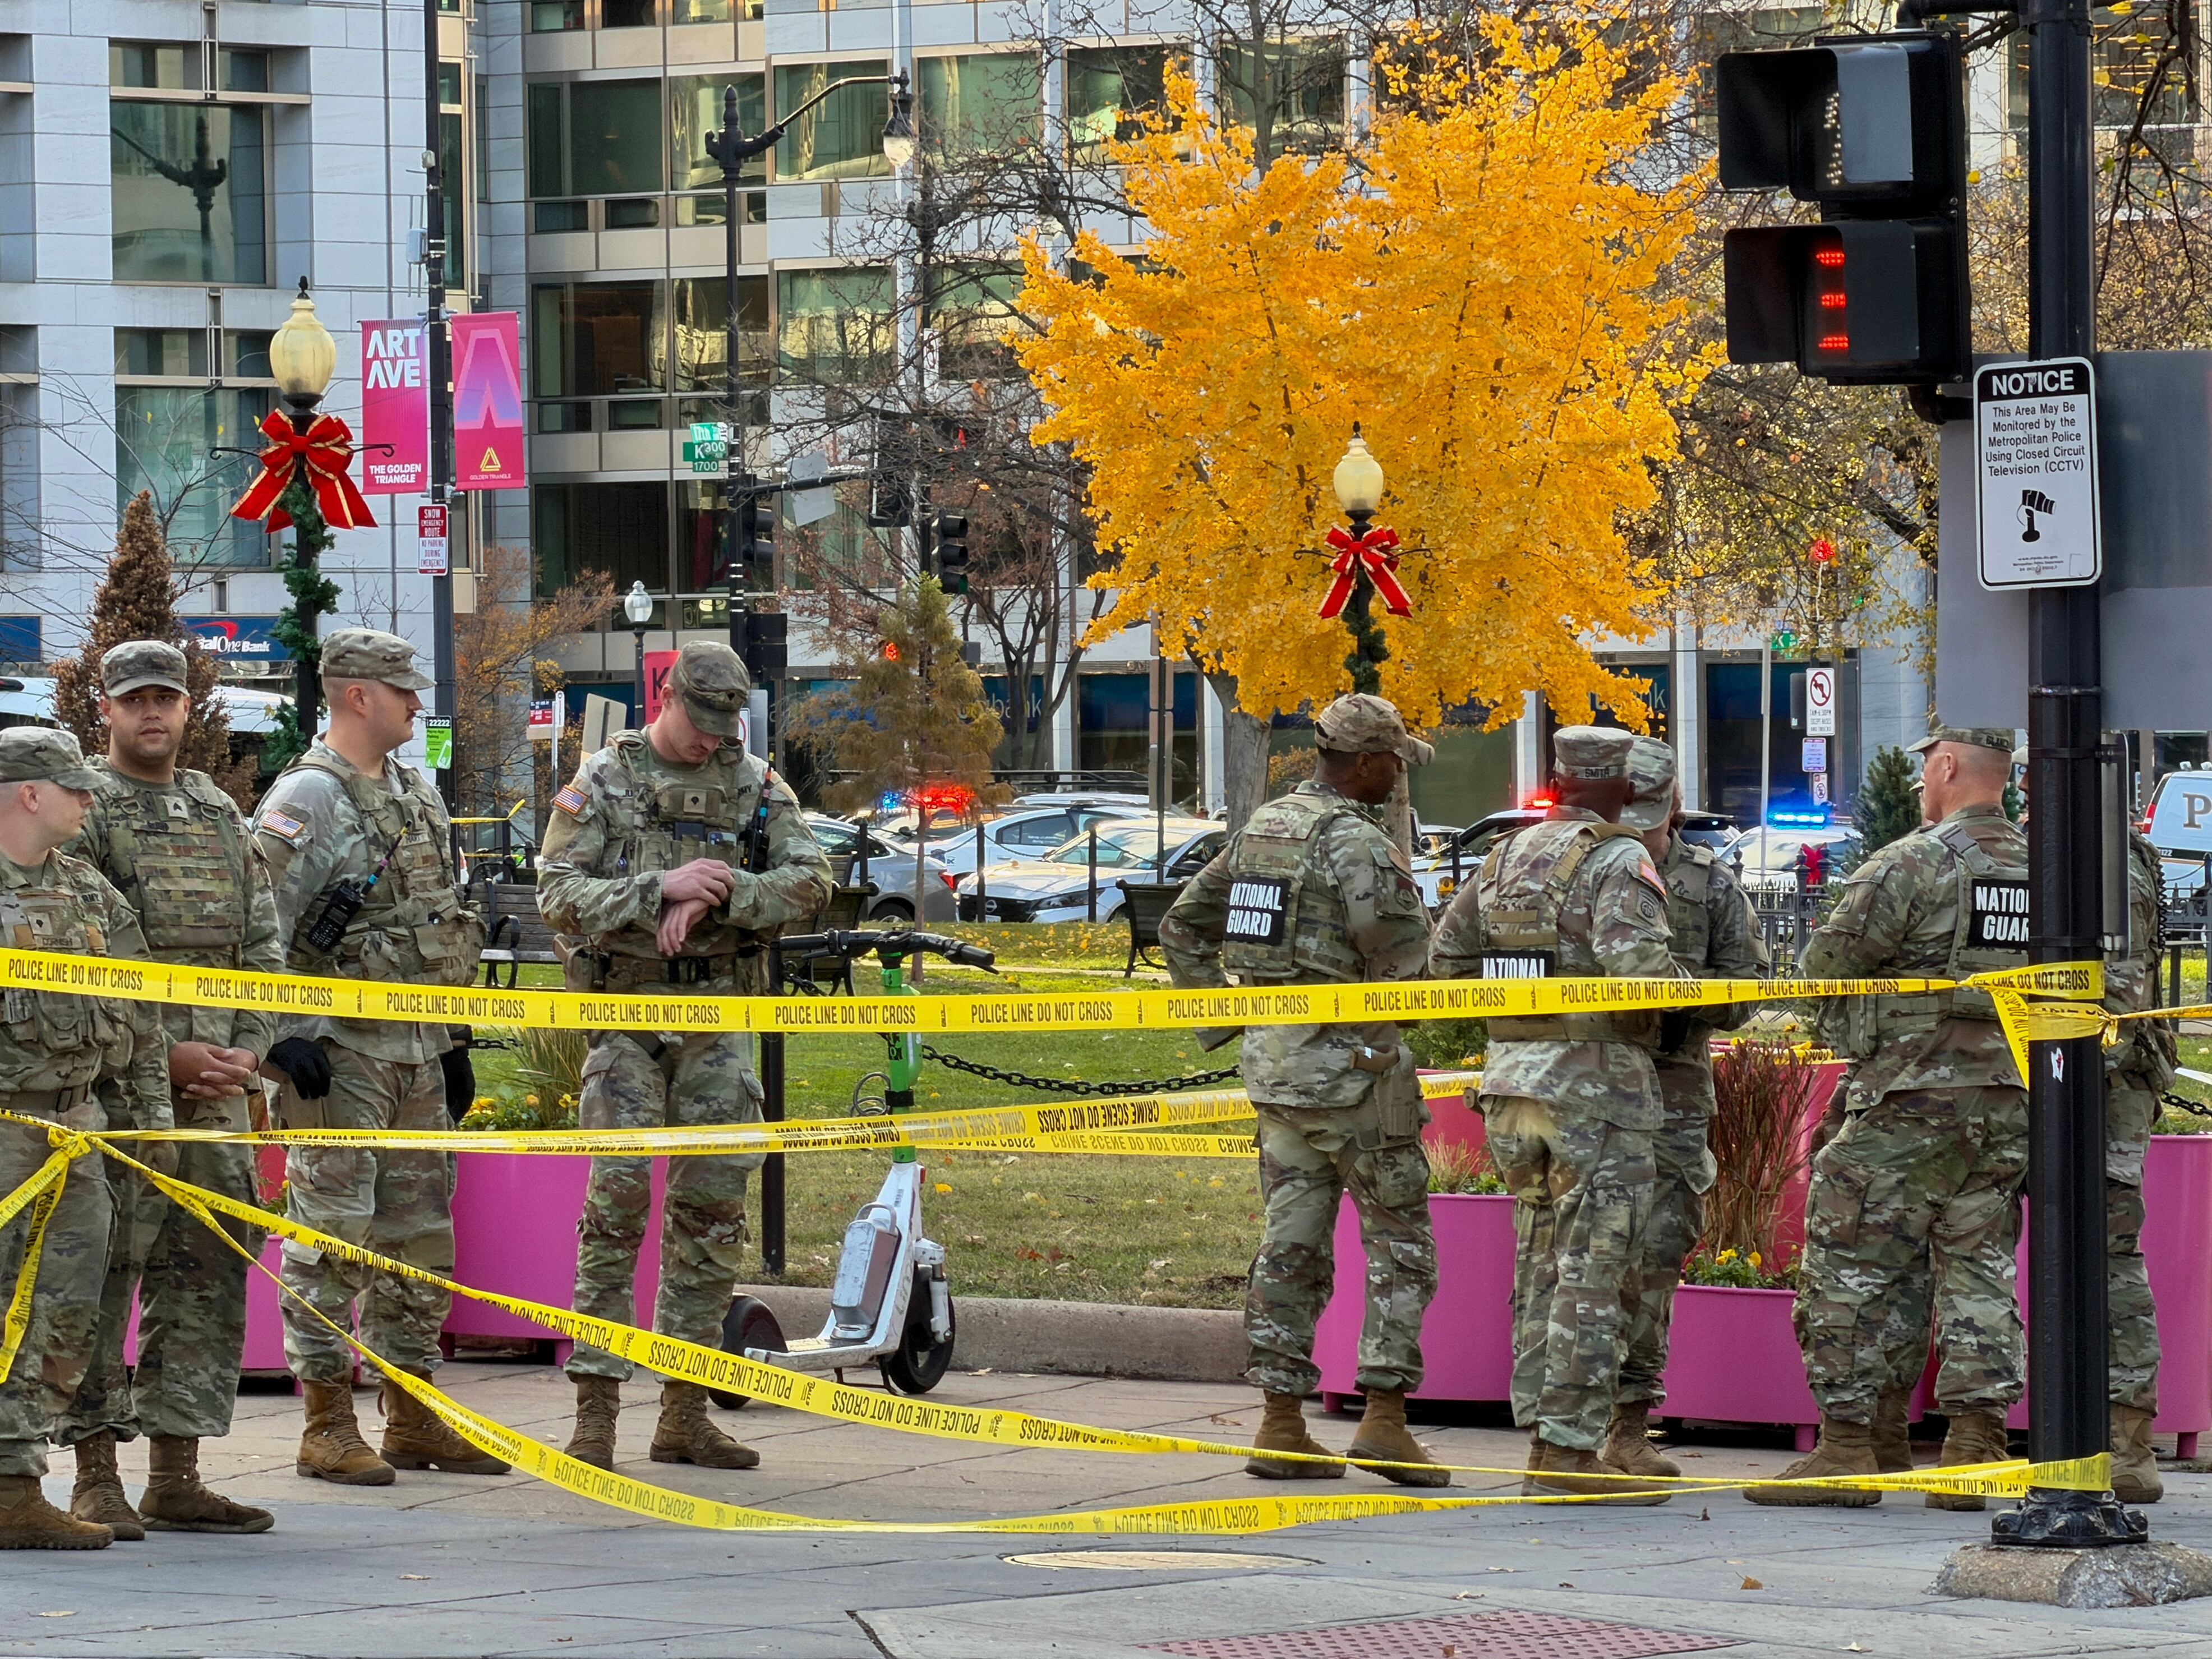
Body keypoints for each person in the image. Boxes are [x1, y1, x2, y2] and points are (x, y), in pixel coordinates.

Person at [537, 642, 832, 1472]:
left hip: (714, 1022)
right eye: (698, 724)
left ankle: (685, 1408)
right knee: (616, 1206)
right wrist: (657, 891)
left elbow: (812, 880)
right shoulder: (602, 780)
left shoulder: (754, 783)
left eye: (722, 727)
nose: (709, 742)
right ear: (663, 697)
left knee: (711, 1216)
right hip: (629, 1018)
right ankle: (595, 1410)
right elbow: (556, 892)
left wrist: (723, 893)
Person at [1160, 693, 1445, 1487]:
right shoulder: (1358, 841)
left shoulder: (1264, 828)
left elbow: (1182, 926)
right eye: (1393, 760)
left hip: (1277, 1074)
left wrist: (1225, 1019)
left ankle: (1282, 1422)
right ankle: (1384, 1420)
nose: (1399, 775)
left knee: (1289, 1247)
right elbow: (1404, 952)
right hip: (1358, 1079)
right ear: (1364, 762)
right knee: (1401, 1246)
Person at [1750, 723, 2029, 1510]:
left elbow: (1826, 966)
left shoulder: (1916, 861)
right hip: (2009, 1099)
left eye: (1925, 772)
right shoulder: (2052, 866)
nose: (1920, 788)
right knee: (1979, 1263)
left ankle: (1848, 1444)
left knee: (1851, 1255)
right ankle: (1973, 1443)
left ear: (1946, 766)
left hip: (1910, 1096)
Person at [253, 628, 497, 1486]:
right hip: (340, 1057)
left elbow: (437, 922)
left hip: (418, 1052)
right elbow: (260, 926)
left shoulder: (416, 795)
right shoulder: (306, 800)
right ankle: (326, 1421)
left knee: (419, 1236)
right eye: (404, 691)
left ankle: (414, 1412)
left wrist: (454, 1039)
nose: (417, 705)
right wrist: (279, 1036)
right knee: (331, 1236)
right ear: (359, 696)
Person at [55, 643, 280, 1539]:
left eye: (168, 698)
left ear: (190, 710)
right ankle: (93, 1471)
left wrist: (247, 1050)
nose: (153, 713)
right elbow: (83, 956)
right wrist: (168, 1053)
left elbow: (261, 944)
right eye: (135, 699)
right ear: (104, 712)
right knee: (102, 1274)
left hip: (217, 1089)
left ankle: (177, 1471)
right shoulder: (86, 810)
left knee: (210, 1268)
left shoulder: (217, 810)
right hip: (120, 1088)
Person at [1431, 725, 1679, 1502]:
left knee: (1539, 1263)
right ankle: (1569, 1451)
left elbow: (1445, 959)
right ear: (1617, 787)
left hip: (1513, 1092)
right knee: (1593, 1270)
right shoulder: (1617, 859)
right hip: (1597, 1094)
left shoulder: (1504, 856)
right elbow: (1641, 971)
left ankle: (1544, 1431)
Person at [0, 727, 169, 1549]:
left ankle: (15, 1480)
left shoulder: (90, 895)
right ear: (30, 793)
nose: (89, 799)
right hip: (4, 1127)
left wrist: (151, 1127)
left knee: (68, 1314)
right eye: (74, 787)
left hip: (79, 1131)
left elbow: (140, 1019)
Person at [2010, 745, 2170, 1503]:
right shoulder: (2084, 852)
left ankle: (2128, 1436)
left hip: (2104, 1084)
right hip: (2068, 1079)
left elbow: (2120, 988)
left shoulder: (2112, 864)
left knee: (2108, 1253)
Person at [1607, 736, 1768, 1478]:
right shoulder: (1585, 870)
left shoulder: (1710, 883)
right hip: (1592, 1087)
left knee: (1658, 1251)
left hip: (1672, 1091)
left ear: (1673, 803)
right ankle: (1565, 1423)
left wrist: (1683, 996)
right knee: (1580, 1254)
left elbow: (1748, 987)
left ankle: (1628, 1423)